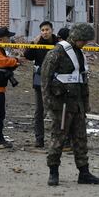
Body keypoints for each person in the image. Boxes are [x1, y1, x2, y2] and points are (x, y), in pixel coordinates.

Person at [41, 22, 99, 186]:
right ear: (76, 37)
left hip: (77, 104)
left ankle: (84, 172)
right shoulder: (57, 53)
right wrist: (47, 103)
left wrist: (86, 103)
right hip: (61, 105)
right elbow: (45, 80)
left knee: (80, 138)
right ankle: (53, 172)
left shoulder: (79, 54)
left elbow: (83, 80)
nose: (85, 43)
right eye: (83, 40)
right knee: (58, 138)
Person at [24, 20, 59, 148]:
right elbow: (27, 55)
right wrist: (33, 43)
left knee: (57, 111)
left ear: (52, 30)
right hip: (39, 81)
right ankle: (39, 139)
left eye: (47, 30)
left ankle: (57, 138)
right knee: (39, 111)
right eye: (42, 30)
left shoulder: (58, 43)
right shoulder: (37, 43)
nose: (45, 33)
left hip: (56, 82)